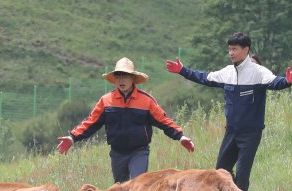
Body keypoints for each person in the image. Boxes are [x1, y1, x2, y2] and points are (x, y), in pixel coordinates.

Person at [166, 32, 292, 191]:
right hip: (231, 132)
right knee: (221, 171)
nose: (231, 53)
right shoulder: (227, 72)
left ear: (246, 49)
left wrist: (287, 81)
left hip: (250, 133)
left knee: (242, 173)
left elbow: (275, 81)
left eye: (234, 49)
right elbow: (205, 77)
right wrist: (183, 70)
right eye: (229, 49)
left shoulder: (258, 72)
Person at [55, 57, 195, 183]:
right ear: (115, 79)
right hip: (117, 153)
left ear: (133, 78)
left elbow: (164, 121)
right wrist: (72, 137)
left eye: (126, 76)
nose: (122, 80)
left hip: (139, 152)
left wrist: (180, 136)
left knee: (137, 185)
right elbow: (90, 123)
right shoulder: (106, 101)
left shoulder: (146, 101)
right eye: (119, 76)